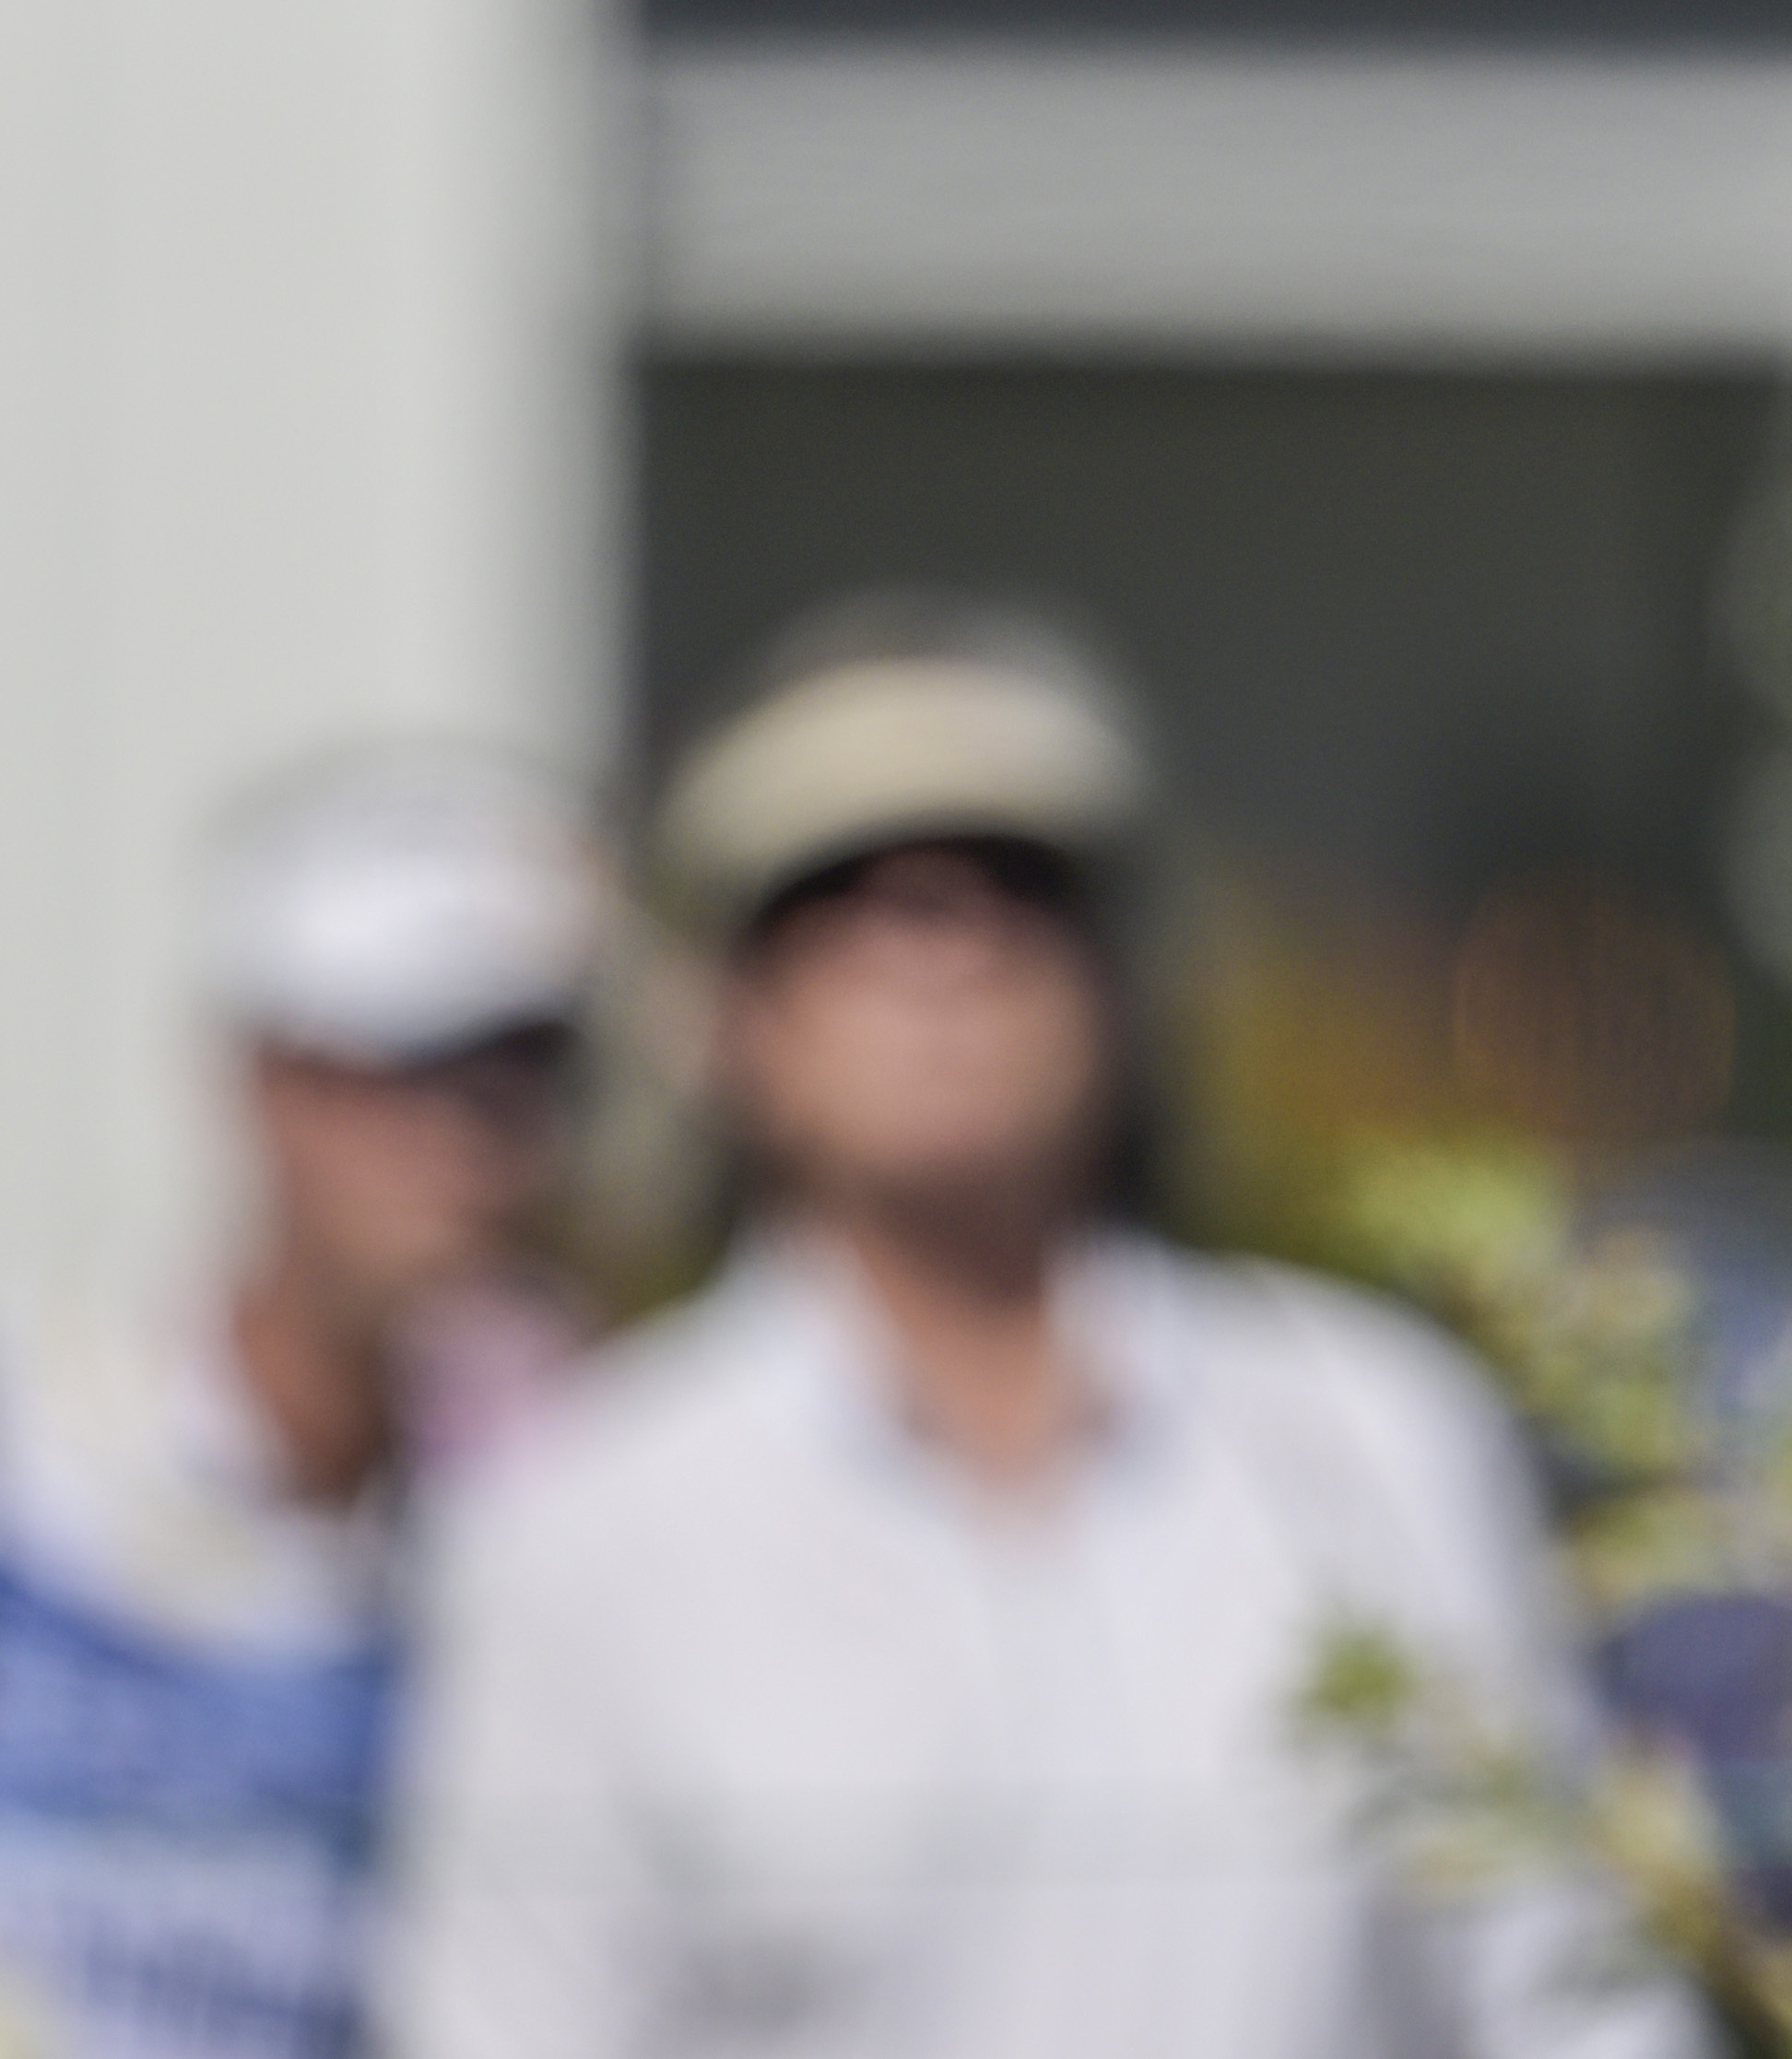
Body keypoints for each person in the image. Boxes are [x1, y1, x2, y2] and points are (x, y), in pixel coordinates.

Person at [380, 606, 1698, 2059]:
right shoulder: (592, 1516)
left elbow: (1567, 1986)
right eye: (850, 898)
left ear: (1121, 977)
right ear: (728, 1015)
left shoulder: (1370, 1425)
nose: (945, 952)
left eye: (1019, 886)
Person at [0, 747, 600, 2059]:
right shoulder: (32, 1438)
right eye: (411, 1061)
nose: (473, 1138)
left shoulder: (556, 1508)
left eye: (525, 1069)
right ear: (264, 1079)